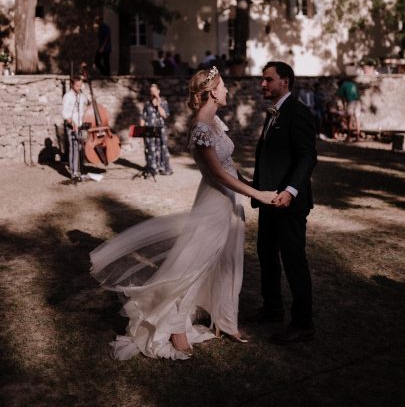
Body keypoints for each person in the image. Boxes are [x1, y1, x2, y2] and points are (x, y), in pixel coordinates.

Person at [90, 66, 276, 360]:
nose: (228, 91)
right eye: (224, 86)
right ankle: (175, 326)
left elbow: (230, 167)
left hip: (233, 201)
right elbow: (218, 175)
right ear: (213, 91)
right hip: (214, 202)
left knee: (230, 263)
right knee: (194, 265)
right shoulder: (201, 127)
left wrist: (249, 185)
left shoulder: (216, 120)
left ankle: (226, 321)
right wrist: (259, 195)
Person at [251, 61, 317, 344]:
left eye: (268, 80)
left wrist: (290, 191)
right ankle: (272, 308)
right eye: (262, 80)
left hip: (290, 203)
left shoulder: (298, 113)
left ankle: (303, 323)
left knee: (293, 262)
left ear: (285, 82)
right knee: (266, 256)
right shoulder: (273, 113)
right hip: (268, 200)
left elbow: (307, 156)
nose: (263, 84)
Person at [140, 83, 173, 176]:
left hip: (160, 129)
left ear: (158, 91)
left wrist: (158, 104)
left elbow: (165, 115)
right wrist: (141, 130)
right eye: (151, 91)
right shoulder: (147, 103)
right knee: (150, 149)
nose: (153, 93)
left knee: (162, 147)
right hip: (149, 128)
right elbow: (143, 117)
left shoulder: (163, 102)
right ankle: (152, 168)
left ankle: (163, 168)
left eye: (154, 91)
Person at [62, 75, 89, 182]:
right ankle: (74, 173)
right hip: (72, 125)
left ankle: (78, 170)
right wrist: (72, 123)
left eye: (80, 85)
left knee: (79, 148)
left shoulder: (81, 95)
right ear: (72, 85)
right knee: (74, 148)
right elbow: (64, 113)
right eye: (77, 85)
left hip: (81, 124)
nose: (79, 87)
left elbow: (87, 103)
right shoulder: (67, 96)